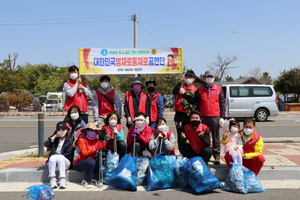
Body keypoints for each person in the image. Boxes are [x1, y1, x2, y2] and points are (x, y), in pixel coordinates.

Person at [195, 69, 225, 165]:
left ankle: (216, 156)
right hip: (203, 117)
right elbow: (198, 105)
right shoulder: (200, 90)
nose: (209, 78)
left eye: (211, 77)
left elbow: (222, 103)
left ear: (214, 77)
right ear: (205, 77)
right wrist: (198, 117)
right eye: (208, 77)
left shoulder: (219, 89)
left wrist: (222, 117)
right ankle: (205, 155)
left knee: (216, 137)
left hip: (215, 116)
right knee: (203, 136)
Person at [73, 123, 106, 188]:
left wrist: (103, 141)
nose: (93, 132)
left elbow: (102, 147)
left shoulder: (96, 140)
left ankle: (96, 179)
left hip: (90, 160)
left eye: (94, 130)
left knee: (99, 159)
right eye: (90, 130)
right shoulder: (81, 140)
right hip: (79, 162)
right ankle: (86, 180)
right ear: (86, 131)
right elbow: (85, 153)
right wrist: (95, 149)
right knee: (91, 161)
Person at [44, 121, 73, 189]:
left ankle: (62, 179)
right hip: (54, 162)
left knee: (59, 157)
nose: (61, 132)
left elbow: (68, 153)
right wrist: (53, 137)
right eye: (59, 130)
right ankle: (52, 179)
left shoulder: (69, 140)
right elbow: (46, 144)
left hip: (65, 162)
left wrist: (58, 159)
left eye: (63, 130)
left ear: (66, 130)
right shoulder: (55, 139)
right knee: (52, 157)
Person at [172, 70, 198, 142]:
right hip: (179, 113)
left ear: (194, 79)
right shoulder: (181, 86)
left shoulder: (195, 90)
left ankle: (189, 151)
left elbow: (193, 101)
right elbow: (174, 91)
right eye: (186, 77)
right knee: (180, 132)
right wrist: (180, 82)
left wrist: (184, 94)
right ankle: (181, 151)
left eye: (190, 77)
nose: (188, 79)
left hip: (188, 114)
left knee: (188, 132)